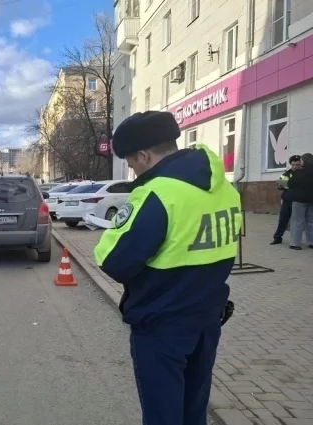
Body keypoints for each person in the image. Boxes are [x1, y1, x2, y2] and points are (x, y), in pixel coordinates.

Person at [94, 111, 241, 425]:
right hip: (207, 318)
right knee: (193, 409)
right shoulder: (224, 189)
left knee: (163, 414)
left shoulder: (157, 194)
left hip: (163, 323)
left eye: (131, 162)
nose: (133, 170)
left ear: (144, 155)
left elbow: (114, 262)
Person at [270, 155, 302, 245]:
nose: (295, 166)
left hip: (298, 201)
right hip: (287, 200)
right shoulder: (286, 174)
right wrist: (279, 186)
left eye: (297, 164)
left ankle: (296, 241)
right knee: (283, 219)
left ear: (301, 164)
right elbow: (279, 186)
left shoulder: (303, 174)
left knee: (297, 222)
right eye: (293, 164)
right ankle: (277, 238)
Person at [287, 152, 313, 250]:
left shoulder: (298, 173)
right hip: (311, 200)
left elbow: (290, 184)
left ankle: (295, 243)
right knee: (311, 221)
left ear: (304, 161)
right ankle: (311, 242)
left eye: (301, 160)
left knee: (297, 221)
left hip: (299, 200)